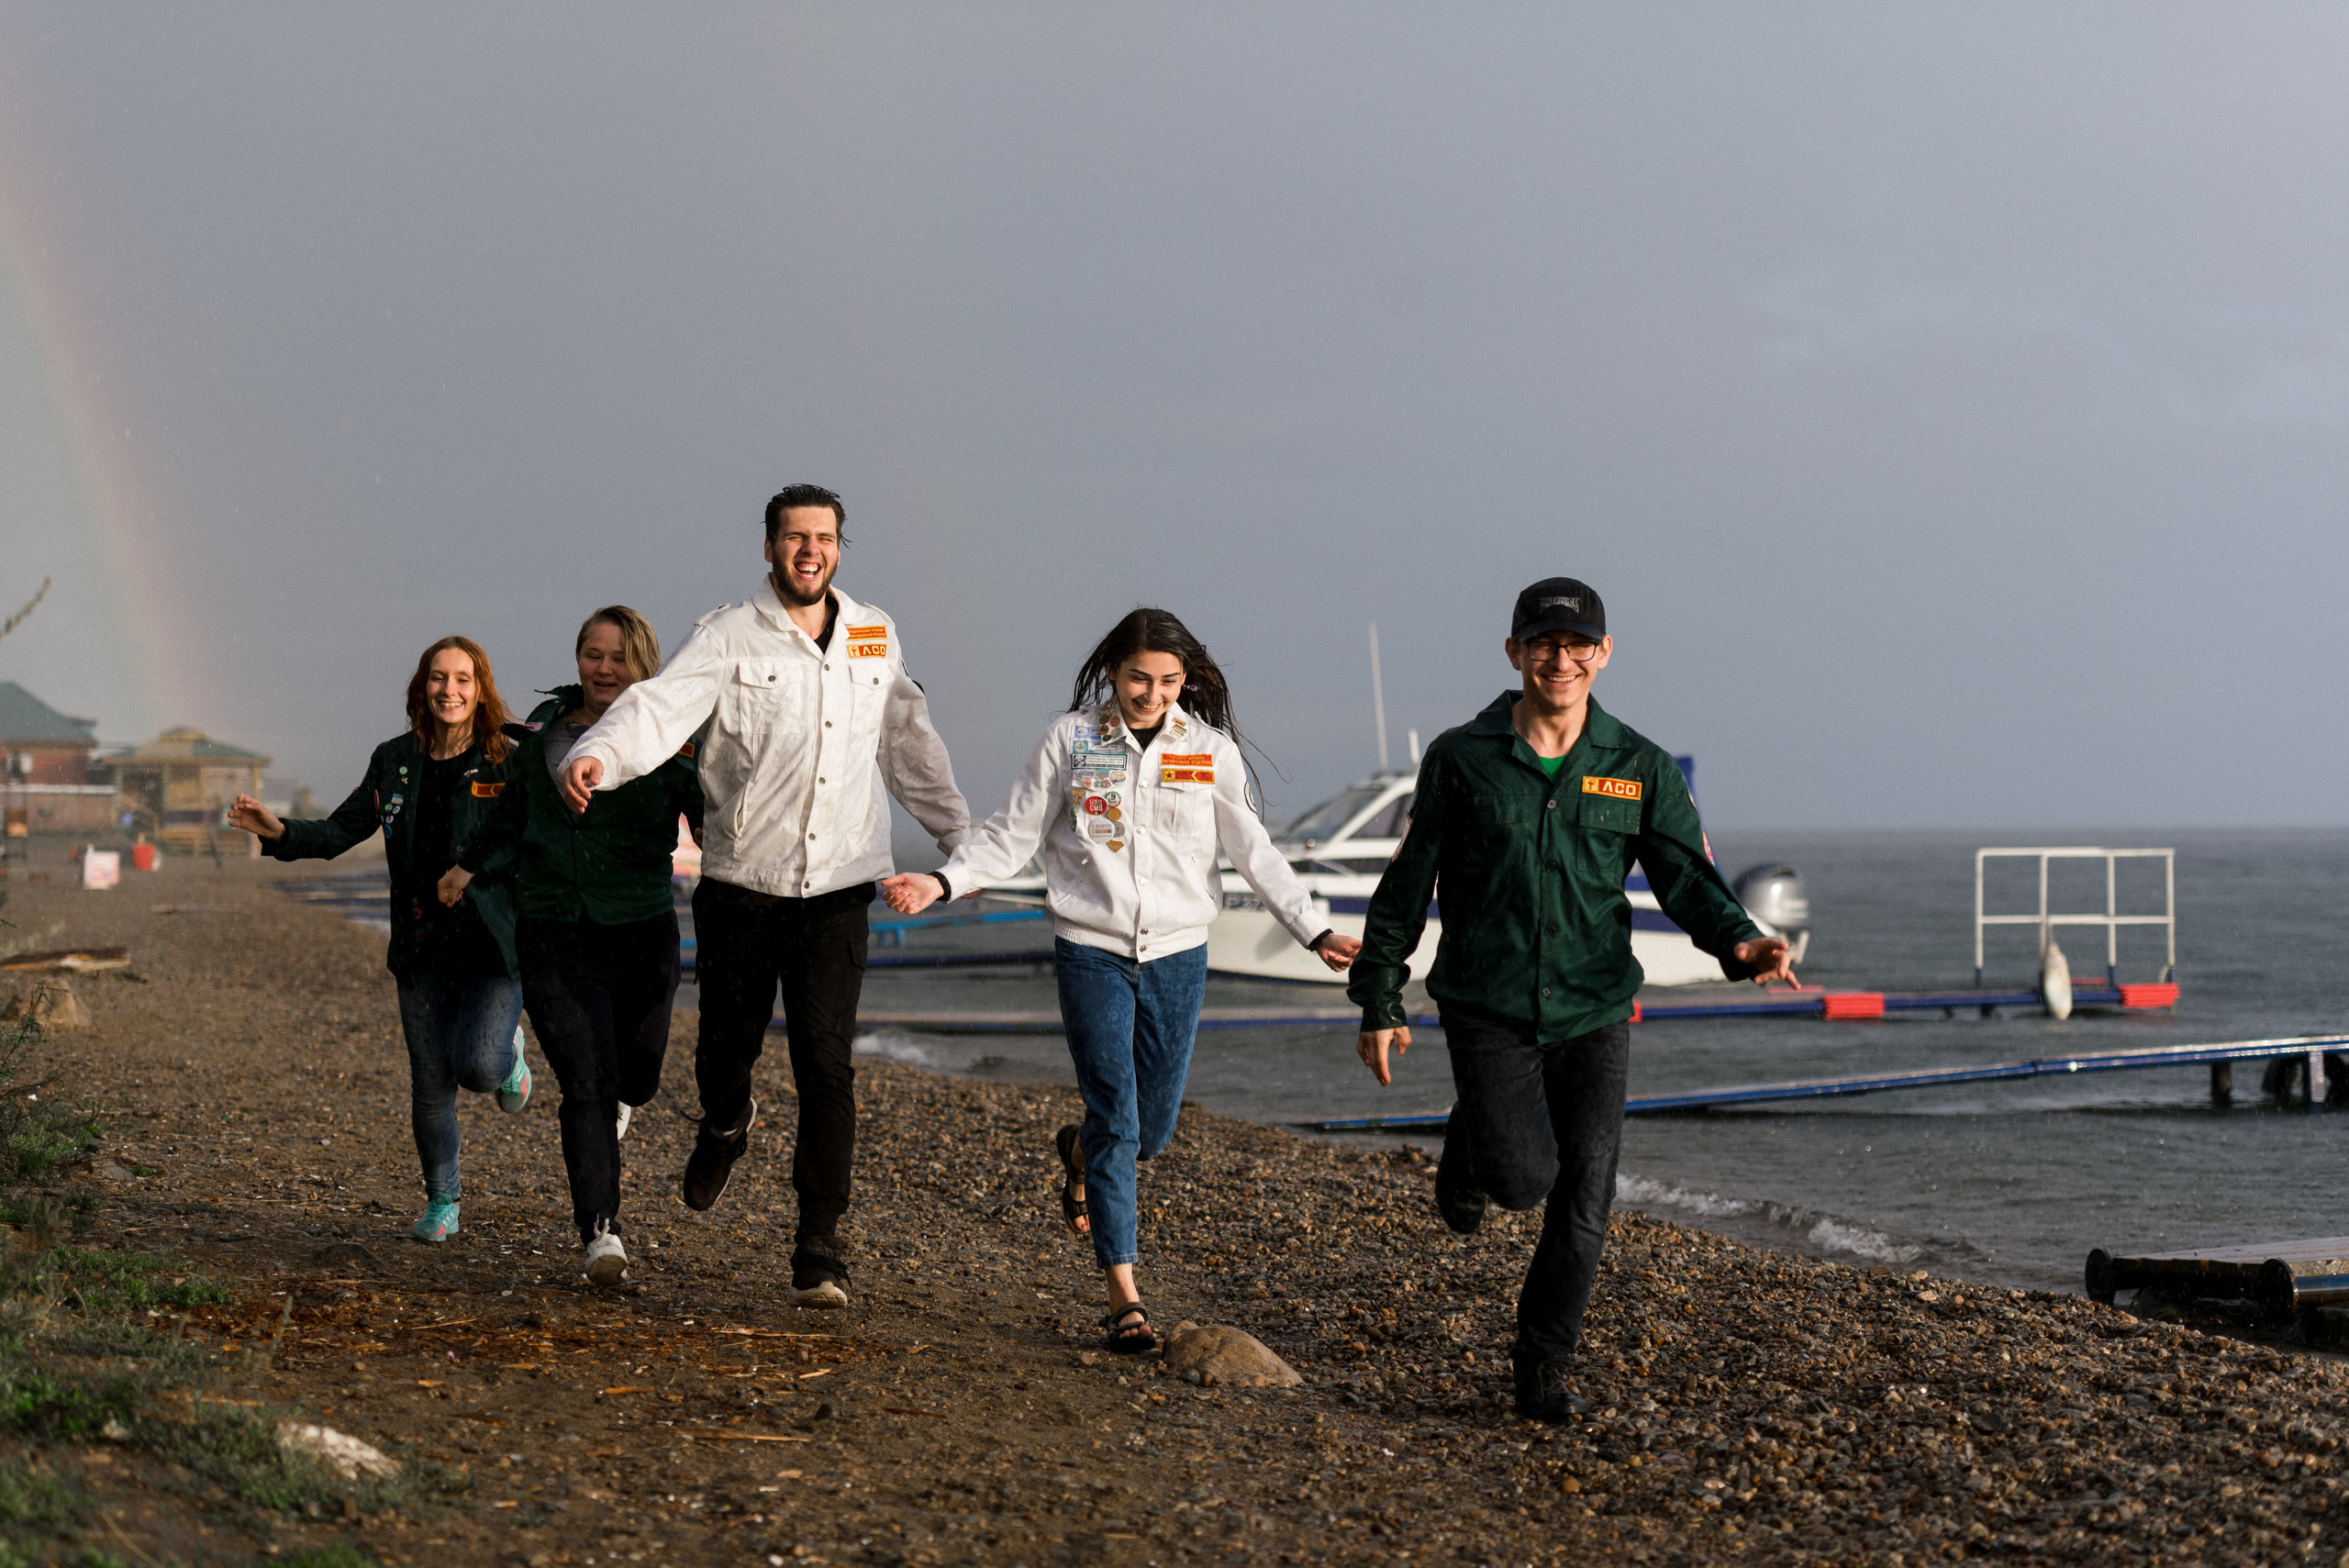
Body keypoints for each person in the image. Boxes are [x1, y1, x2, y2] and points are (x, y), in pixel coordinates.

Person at [1346, 577, 1795, 1422]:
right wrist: (1380, 995)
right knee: (1525, 1181)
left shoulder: (1637, 765)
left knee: (1587, 1195)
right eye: (1542, 643)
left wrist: (1742, 941)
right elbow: (1406, 886)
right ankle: (1473, 1134)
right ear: (1515, 653)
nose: (1561, 658)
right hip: (1488, 1001)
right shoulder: (1462, 758)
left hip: (1595, 1007)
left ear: (1604, 653)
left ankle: (1540, 1364)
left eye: (1577, 643)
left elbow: (1685, 877)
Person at [881, 608, 1364, 1353]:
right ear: (1114, 667)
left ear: (1186, 681)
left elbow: (1255, 852)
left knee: (1152, 1128)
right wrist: (943, 883)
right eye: (1140, 676)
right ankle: (1124, 1297)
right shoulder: (1071, 740)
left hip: (1179, 953)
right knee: (1119, 1114)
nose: (1153, 692)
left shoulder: (1207, 751)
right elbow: (1012, 833)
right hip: (1090, 949)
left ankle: (1077, 1151)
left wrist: (1314, 931)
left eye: (1170, 680)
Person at [557, 484, 969, 1307]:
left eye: (823, 537)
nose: (808, 550)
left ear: (841, 546)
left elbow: (907, 742)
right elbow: (657, 706)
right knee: (724, 1055)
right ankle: (726, 1121)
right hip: (743, 883)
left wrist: (962, 843)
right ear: (770, 546)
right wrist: (598, 755)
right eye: (793, 537)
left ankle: (819, 1249)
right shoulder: (727, 634)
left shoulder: (874, 635)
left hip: (841, 886)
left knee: (826, 1064)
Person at [228, 636, 532, 1244]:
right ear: (422, 687)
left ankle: (509, 1059)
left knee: (475, 1064)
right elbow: (343, 829)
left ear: (481, 689)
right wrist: (280, 830)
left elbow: (527, 838)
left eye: (463, 679)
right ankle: (443, 1200)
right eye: (438, 678)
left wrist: (471, 870)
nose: (449, 690)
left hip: (493, 944)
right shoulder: (393, 759)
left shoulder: (508, 758)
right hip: (419, 945)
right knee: (429, 1079)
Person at [439, 606, 702, 1287]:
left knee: (636, 1077)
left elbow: (717, 824)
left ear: (640, 661)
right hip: (554, 928)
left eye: (617, 656)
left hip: (642, 928)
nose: (604, 667)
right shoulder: (544, 738)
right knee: (587, 1084)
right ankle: (600, 1232)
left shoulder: (672, 743)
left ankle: (622, 1104)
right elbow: (508, 816)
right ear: (579, 658)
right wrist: (465, 865)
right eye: (593, 653)